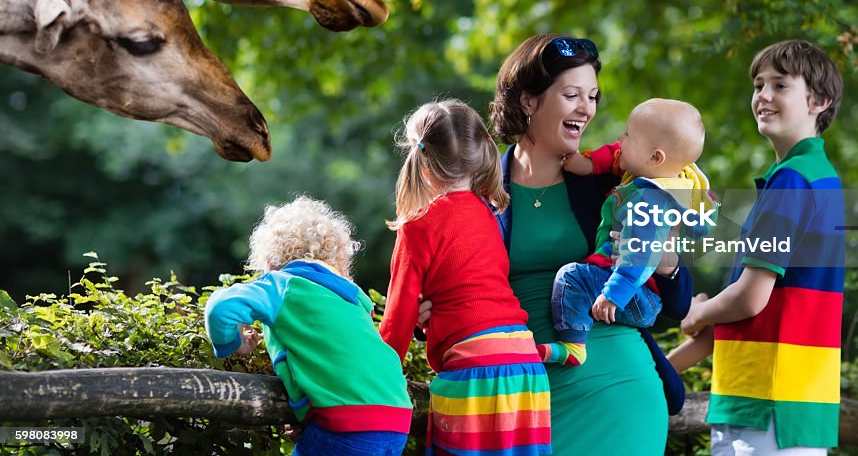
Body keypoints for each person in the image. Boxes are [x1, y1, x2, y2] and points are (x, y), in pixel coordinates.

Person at [479, 34, 692, 455]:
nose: (587, 109)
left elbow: (677, 305)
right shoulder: (480, 188)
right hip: (520, 395)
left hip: (618, 388)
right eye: (571, 94)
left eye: (592, 96)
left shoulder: (617, 185)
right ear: (528, 101)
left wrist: (668, 264)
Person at [668, 39, 845, 455]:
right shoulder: (821, 177)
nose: (763, 95)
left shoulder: (791, 182)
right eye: (758, 84)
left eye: (780, 85)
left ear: (819, 100)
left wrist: (696, 311)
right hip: (797, 404)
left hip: (764, 403)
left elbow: (749, 298)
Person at [378, 99, 551, 456]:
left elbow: (397, 322)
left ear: (422, 162)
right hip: (526, 366)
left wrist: (372, 377)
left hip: (475, 371)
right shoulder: (488, 215)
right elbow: (474, 290)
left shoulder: (417, 226)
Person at [204, 196, 412, 456]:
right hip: (396, 417)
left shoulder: (282, 284)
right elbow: (342, 366)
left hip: (348, 422)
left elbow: (220, 307)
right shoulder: (353, 298)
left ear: (269, 260)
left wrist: (232, 344)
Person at [537, 98, 716, 368]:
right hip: (638, 293)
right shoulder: (666, 178)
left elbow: (641, 254)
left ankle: (573, 345)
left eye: (628, 135)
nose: (621, 139)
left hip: (633, 293)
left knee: (572, 277)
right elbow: (616, 155)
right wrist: (587, 163)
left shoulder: (650, 200)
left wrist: (614, 294)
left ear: (655, 157)